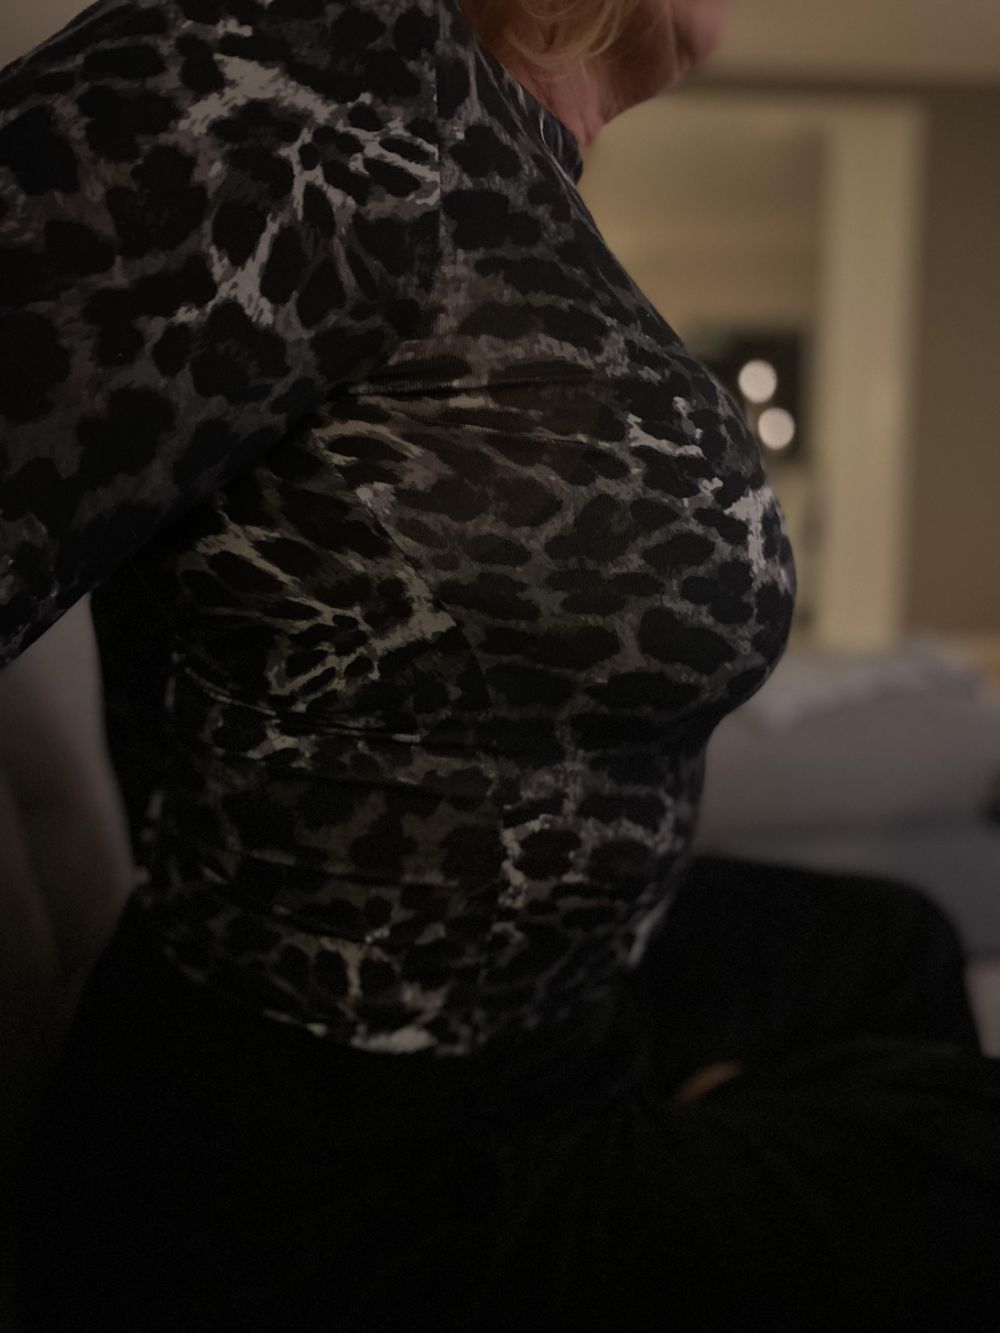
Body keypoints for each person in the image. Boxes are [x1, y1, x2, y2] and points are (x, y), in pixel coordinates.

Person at [1, 0, 999, 1328]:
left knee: (887, 944)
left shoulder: (481, 141)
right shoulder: (304, 70)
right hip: (348, 1164)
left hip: (561, 1015)